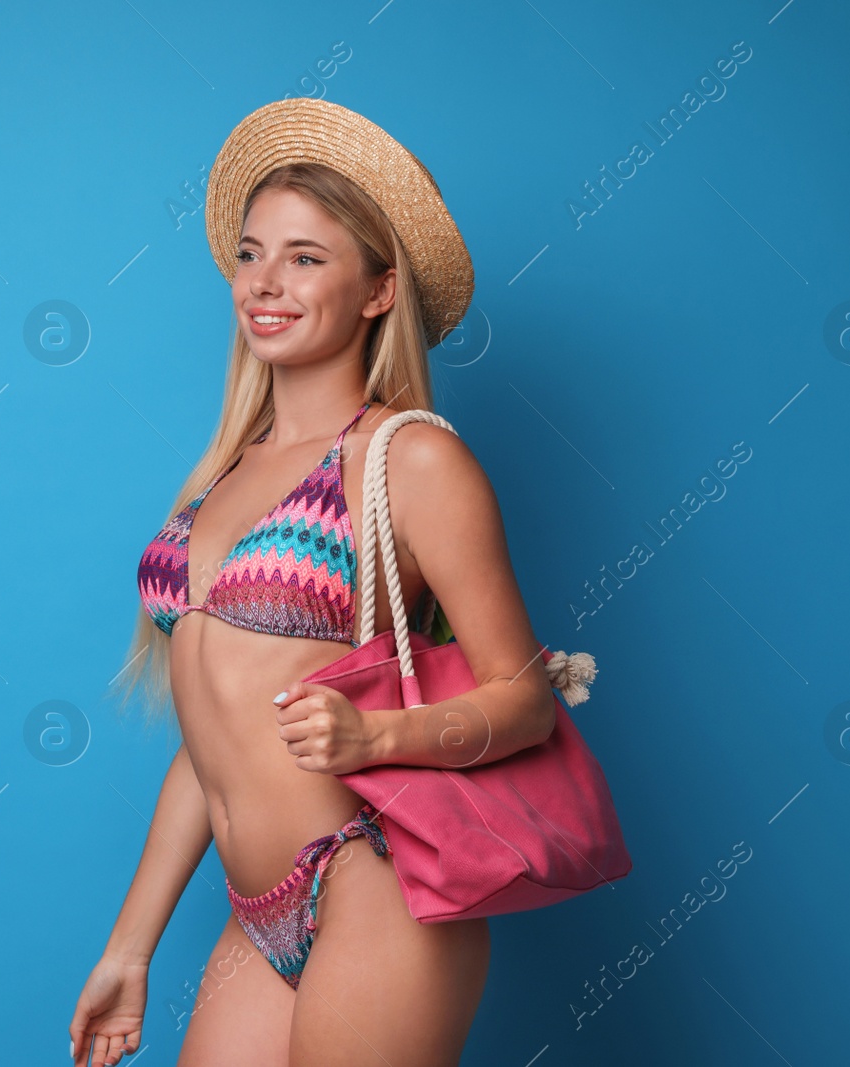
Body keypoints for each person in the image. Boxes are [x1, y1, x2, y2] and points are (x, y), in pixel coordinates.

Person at [68, 98, 559, 1067]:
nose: (264, 282)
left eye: (305, 257)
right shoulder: (221, 472)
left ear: (379, 290)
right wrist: (130, 948)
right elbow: (212, 745)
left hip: (375, 885)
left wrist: (379, 734)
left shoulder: (408, 459)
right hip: (257, 914)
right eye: (251, 254)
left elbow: (529, 699)